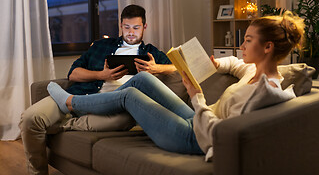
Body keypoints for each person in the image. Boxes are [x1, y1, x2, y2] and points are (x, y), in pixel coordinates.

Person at [47, 11, 305, 162]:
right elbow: (234, 63)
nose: (242, 46)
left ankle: (70, 102)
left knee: (130, 96)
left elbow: (219, 136)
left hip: (196, 138)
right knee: (144, 79)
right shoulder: (254, 70)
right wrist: (213, 64)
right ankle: (80, 102)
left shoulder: (261, 92)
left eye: (248, 40)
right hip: (198, 120)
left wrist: (197, 96)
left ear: (268, 47)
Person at [19, 4, 176, 175]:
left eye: (136, 28)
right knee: (29, 118)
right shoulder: (101, 46)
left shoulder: (152, 53)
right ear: (120, 25)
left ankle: (62, 120)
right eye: (127, 27)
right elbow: (73, 74)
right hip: (80, 93)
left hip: (112, 107)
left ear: (144, 27)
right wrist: (102, 75)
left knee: (125, 120)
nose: (131, 32)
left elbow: (178, 68)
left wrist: (156, 68)